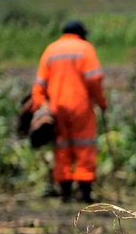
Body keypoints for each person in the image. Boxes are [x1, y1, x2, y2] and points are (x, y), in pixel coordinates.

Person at [31, 21, 107, 203]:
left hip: (56, 107)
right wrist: (102, 103)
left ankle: (64, 191)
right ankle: (83, 191)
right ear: (81, 34)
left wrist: (42, 107)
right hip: (81, 106)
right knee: (85, 146)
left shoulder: (51, 50)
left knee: (61, 148)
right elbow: (94, 80)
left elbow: (39, 85)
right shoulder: (85, 48)